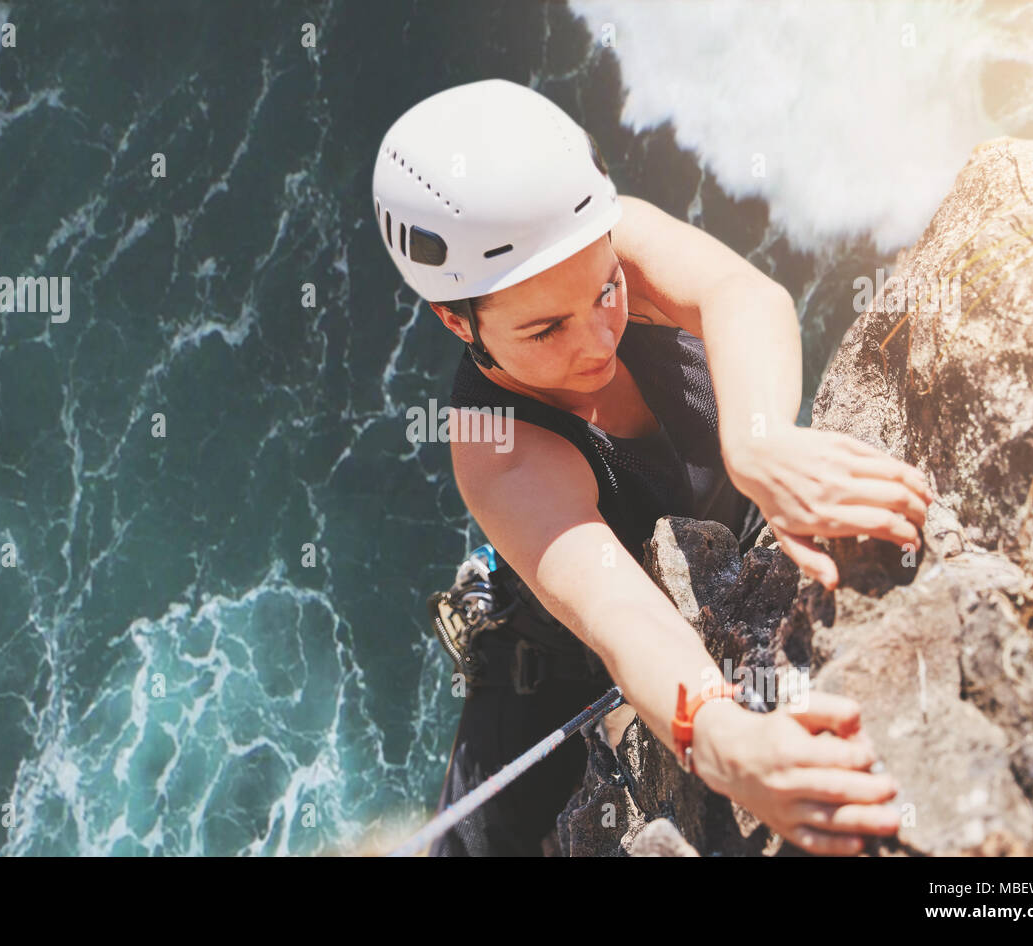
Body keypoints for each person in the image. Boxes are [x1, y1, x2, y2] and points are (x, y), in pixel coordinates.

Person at [372, 79, 933, 856]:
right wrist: (722, 738)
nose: (598, 339)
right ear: (453, 318)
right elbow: (621, 618)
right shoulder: (497, 449)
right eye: (545, 330)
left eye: (608, 290)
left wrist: (760, 440)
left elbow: (741, 293)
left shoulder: (608, 234)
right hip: (548, 686)